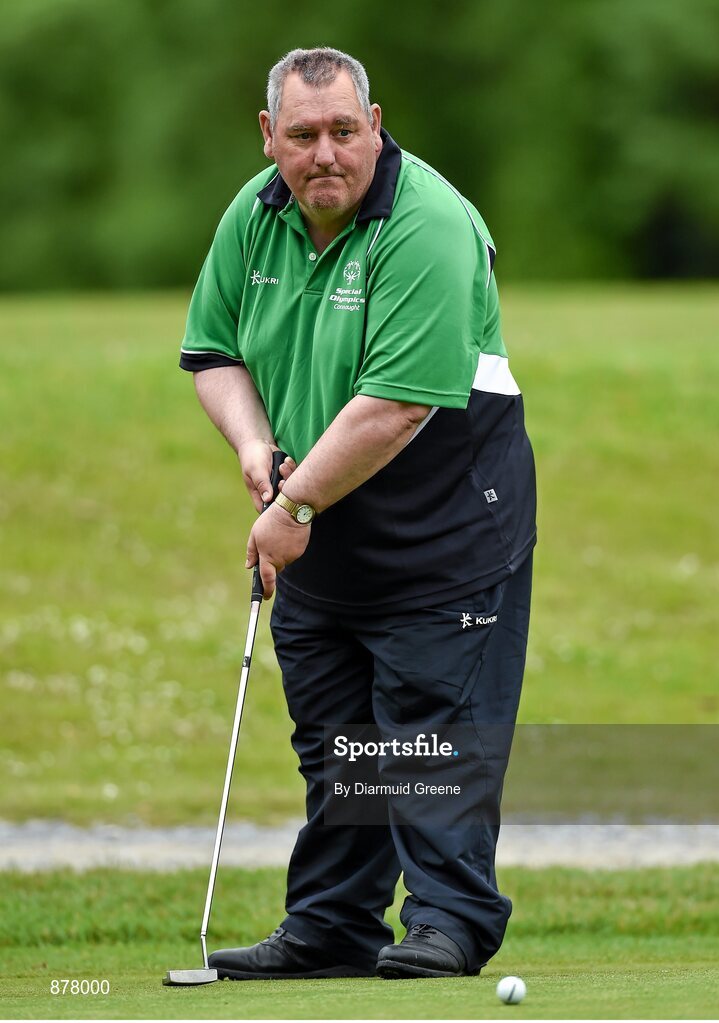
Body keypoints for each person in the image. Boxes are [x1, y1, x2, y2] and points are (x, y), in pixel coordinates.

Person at [179, 46, 536, 980]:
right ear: (270, 137)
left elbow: (397, 405)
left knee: (423, 730)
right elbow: (213, 351)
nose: (325, 153)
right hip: (325, 518)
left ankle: (450, 919)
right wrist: (257, 449)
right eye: (302, 135)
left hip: (445, 521)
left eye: (344, 130)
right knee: (337, 737)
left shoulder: (429, 222)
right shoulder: (252, 217)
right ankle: (334, 921)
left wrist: (291, 501)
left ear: (374, 125)